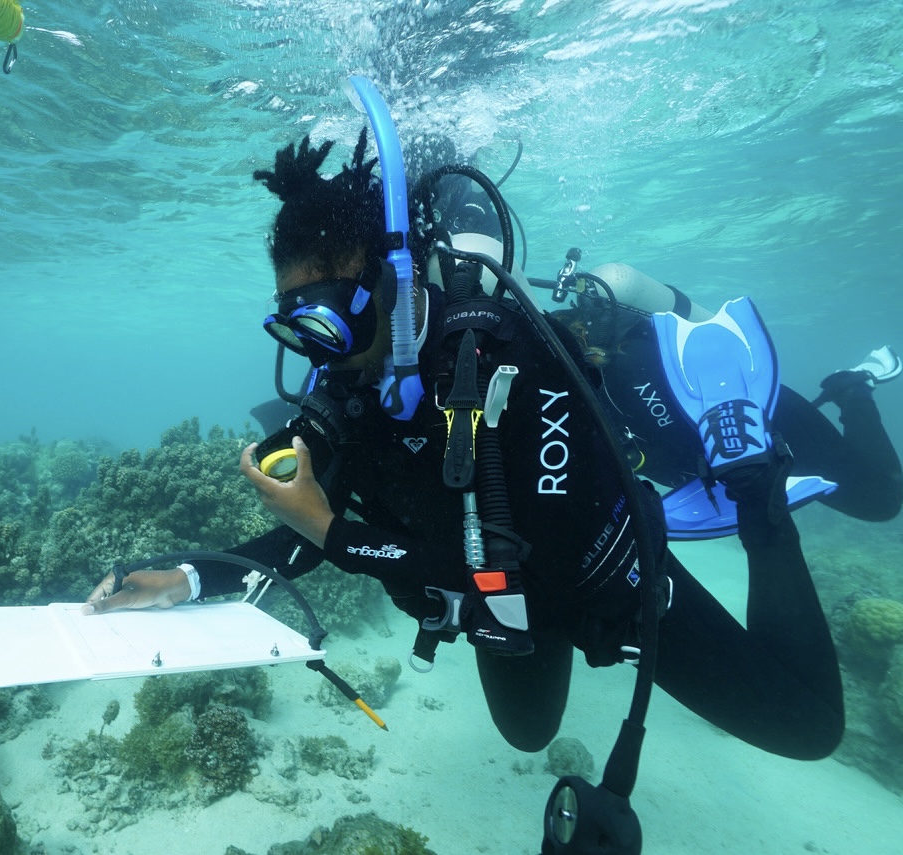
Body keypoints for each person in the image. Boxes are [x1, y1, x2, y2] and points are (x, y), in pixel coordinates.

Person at [84, 130, 844, 764]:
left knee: (806, 726)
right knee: (527, 733)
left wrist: (335, 531)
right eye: (294, 321)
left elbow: (536, 563)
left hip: (599, 572)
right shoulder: (352, 381)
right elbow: (307, 526)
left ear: (392, 285)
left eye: (327, 319)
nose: (318, 351)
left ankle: (756, 493)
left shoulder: (506, 355)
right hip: (499, 595)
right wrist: (187, 576)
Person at [546, 262, 903, 532]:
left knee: (879, 502)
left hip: (765, 417)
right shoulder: (575, 391)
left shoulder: (613, 362)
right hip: (733, 461)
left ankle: (854, 387)